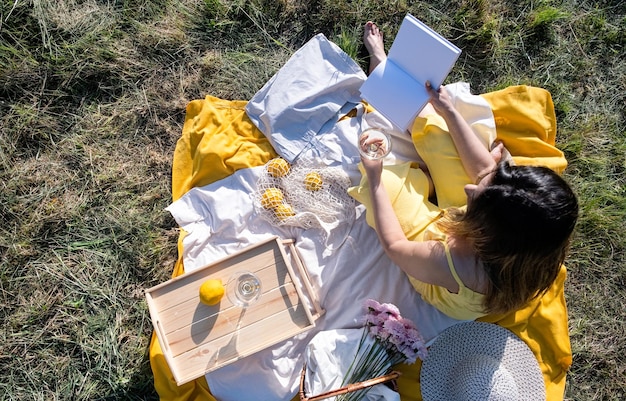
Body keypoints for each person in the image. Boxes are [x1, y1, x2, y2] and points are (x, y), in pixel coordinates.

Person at [358, 21, 579, 318]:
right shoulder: (534, 245)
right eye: (488, 183)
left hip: (436, 261)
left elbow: (396, 246)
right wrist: (449, 112)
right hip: (480, 236)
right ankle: (385, 78)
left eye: (478, 197)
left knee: (384, 182)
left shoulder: (457, 264)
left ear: (486, 232)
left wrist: (374, 180)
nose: (469, 189)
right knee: (435, 128)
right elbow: (484, 170)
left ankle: (420, 180)